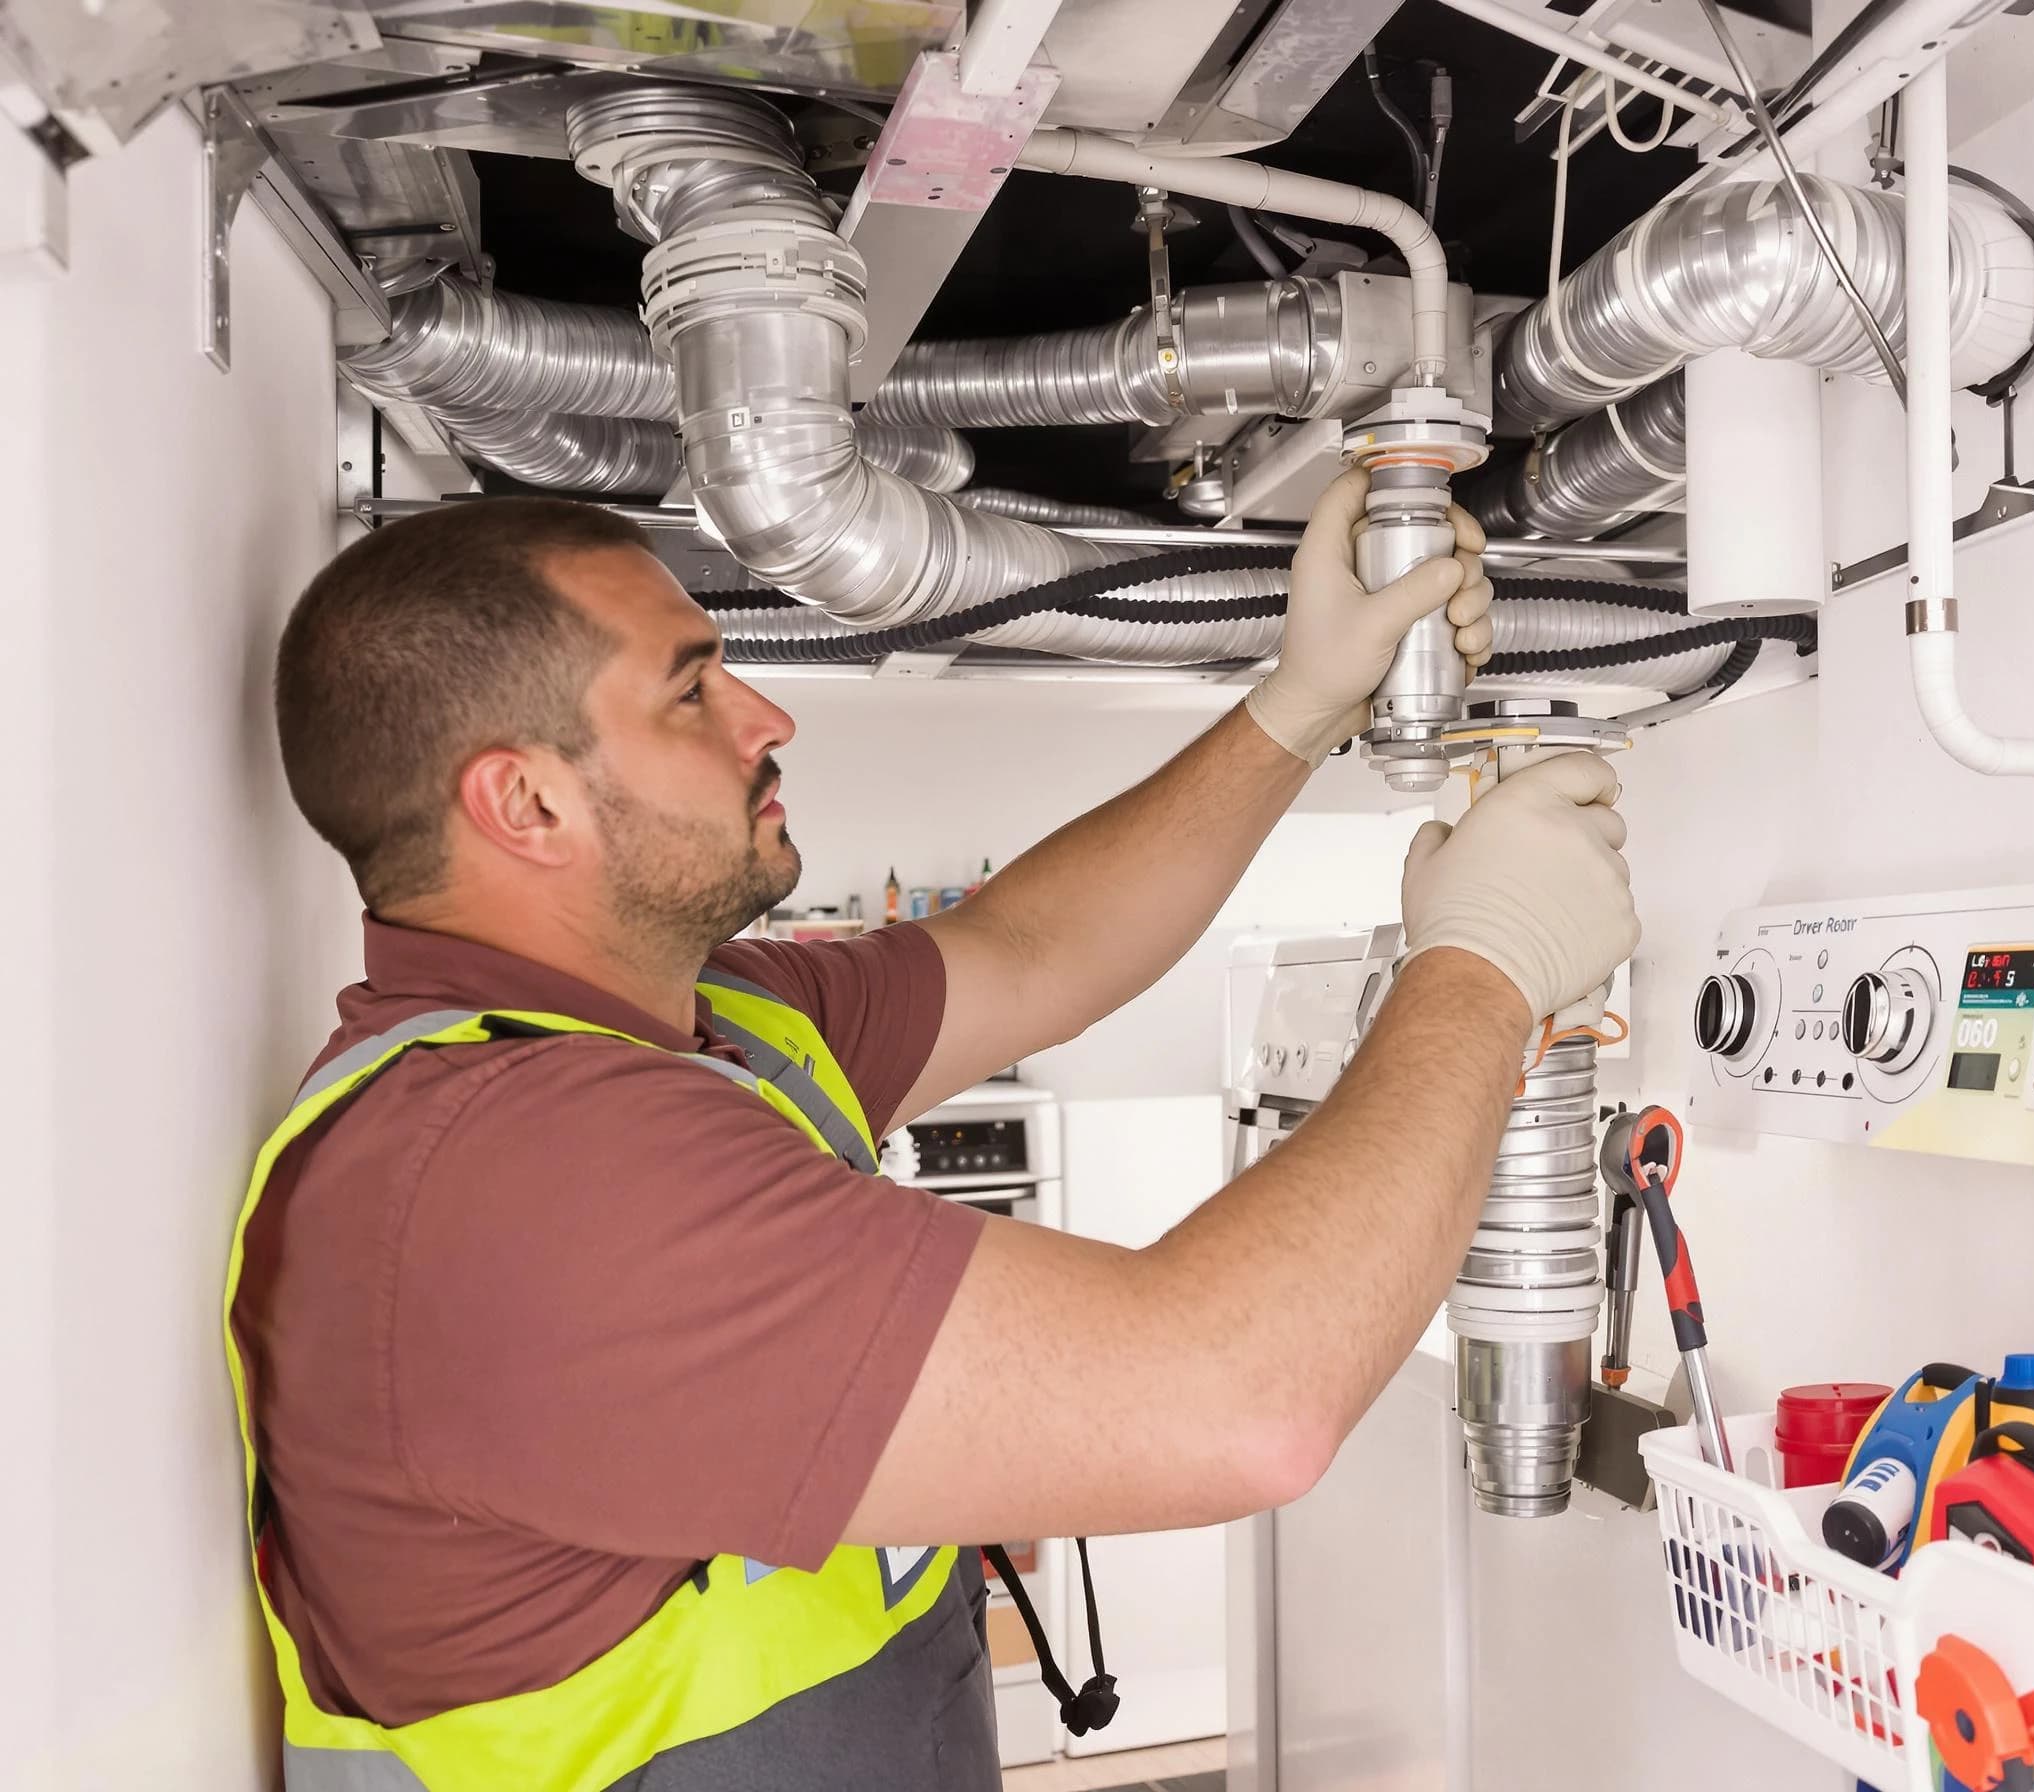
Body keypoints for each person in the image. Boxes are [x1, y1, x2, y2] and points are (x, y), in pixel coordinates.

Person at [232, 469, 1641, 1790]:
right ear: (525, 801)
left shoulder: (701, 1018)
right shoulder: (512, 1183)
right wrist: (1484, 967)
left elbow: (1032, 949)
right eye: (690, 691)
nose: (766, 719)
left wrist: (1297, 706)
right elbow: (1237, 1406)